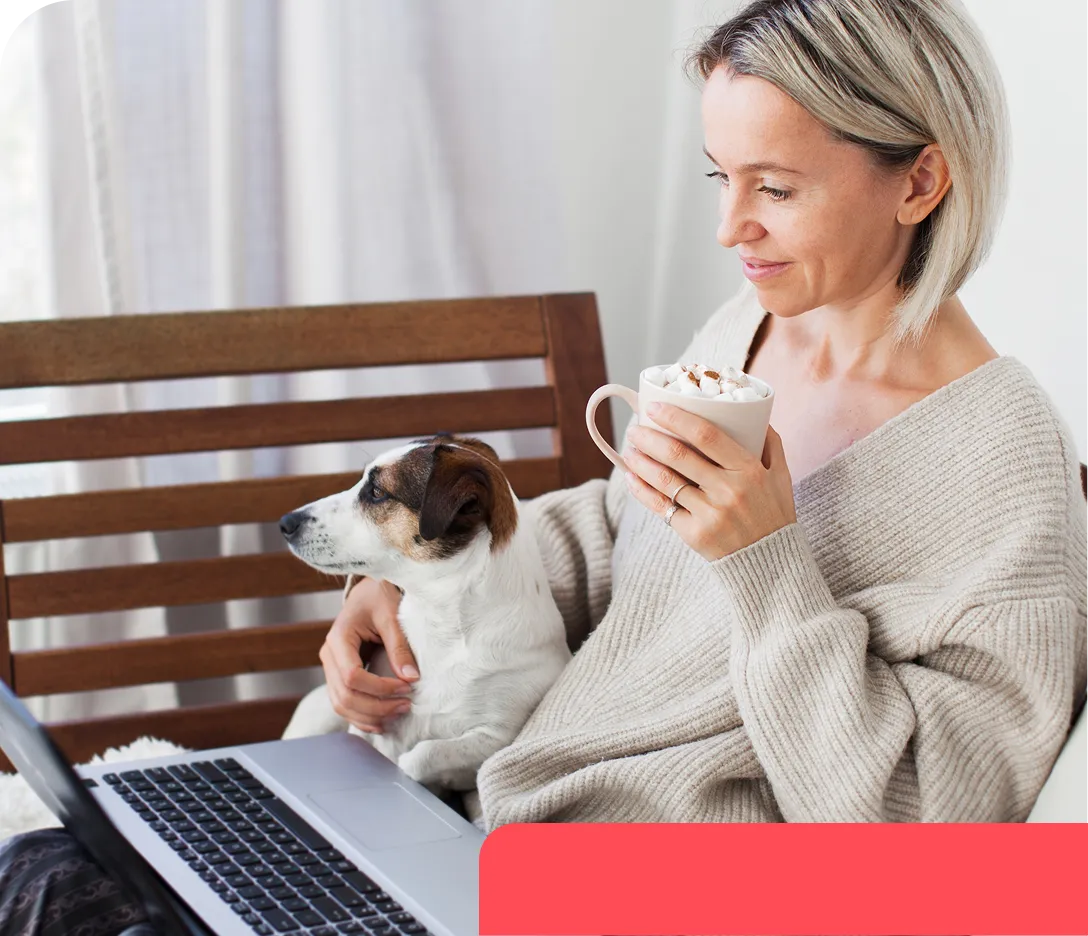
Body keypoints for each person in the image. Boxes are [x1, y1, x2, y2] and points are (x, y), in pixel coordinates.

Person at [3, 0, 1087, 932]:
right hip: (496, 821)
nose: (728, 227)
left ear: (919, 182)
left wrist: (765, 564)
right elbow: (625, 538)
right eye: (718, 177)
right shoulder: (748, 335)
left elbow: (917, 828)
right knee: (62, 877)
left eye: (776, 188)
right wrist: (408, 577)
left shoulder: (1001, 471)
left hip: (638, 888)